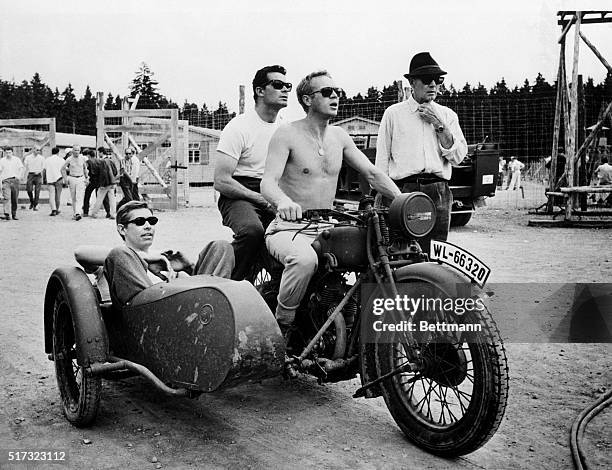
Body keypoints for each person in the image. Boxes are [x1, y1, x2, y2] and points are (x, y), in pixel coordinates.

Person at [261, 70, 401, 334]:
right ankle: (282, 327)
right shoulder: (286, 134)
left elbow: (372, 173)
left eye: (337, 91)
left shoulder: (340, 136)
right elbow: (267, 182)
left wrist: (404, 201)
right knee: (304, 261)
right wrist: (282, 202)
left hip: (326, 226)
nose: (334, 96)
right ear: (306, 99)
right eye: (326, 92)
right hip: (289, 228)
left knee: (372, 256)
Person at [376, 52, 467, 256]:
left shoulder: (447, 115)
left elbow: (458, 157)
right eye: (427, 80)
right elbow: (382, 160)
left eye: (438, 80)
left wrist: (439, 125)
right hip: (403, 190)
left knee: (436, 253)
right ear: (412, 82)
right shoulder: (393, 114)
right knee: (401, 252)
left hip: (438, 191)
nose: (433, 84)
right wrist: (383, 195)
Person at [214, 64, 290, 281]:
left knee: (291, 241)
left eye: (288, 86)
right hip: (239, 193)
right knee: (252, 232)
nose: (284, 90)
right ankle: (228, 283)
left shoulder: (286, 129)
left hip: (274, 191)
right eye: (277, 85)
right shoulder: (238, 127)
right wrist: (259, 197)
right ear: (259, 91)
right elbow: (221, 181)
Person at [104, 201, 235, 308]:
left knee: (221, 247)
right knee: (119, 253)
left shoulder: (165, 261)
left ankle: (213, 305)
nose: (148, 226)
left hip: (187, 306)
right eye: (139, 222)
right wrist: (146, 257)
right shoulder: (120, 258)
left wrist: (188, 268)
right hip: (154, 314)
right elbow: (83, 253)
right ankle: (211, 306)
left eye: (151, 221)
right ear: (122, 229)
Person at [61, 145, 89, 220]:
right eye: (75, 150)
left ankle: (78, 213)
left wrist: (87, 178)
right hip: (72, 178)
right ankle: (75, 213)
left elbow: (85, 169)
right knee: (73, 197)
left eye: (78, 150)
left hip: (80, 178)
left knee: (79, 197)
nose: (76, 152)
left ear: (80, 151)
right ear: (72, 151)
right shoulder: (69, 159)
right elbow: (63, 169)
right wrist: (65, 179)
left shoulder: (83, 158)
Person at [89, 148, 117, 219]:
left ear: (101, 152)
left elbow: (102, 174)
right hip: (112, 182)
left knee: (99, 198)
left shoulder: (102, 161)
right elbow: (115, 171)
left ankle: (94, 213)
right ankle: (113, 214)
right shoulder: (111, 160)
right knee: (112, 199)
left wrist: (101, 184)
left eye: (99, 152)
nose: (98, 154)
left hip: (105, 183)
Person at [0, 147, 24, 220]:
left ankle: (14, 214)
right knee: (6, 197)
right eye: (7, 153)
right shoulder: (2, 161)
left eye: (9, 152)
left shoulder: (17, 160)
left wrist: (19, 176)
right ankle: (7, 213)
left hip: (14, 180)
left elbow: (21, 168)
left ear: (12, 152)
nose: (8, 154)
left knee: (14, 198)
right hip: (6, 181)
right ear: (4, 153)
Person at [43, 147, 65, 216]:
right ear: (58, 152)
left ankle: (53, 210)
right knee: (58, 196)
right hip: (59, 179)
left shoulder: (47, 160)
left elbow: (44, 170)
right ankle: (57, 209)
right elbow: (64, 170)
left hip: (50, 180)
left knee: (51, 195)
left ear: (51, 152)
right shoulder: (61, 160)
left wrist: (44, 179)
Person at [83, 149, 103, 216]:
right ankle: (100, 211)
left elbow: (85, 170)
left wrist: (86, 178)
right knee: (99, 196)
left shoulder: (88, 161)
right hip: (98, 181)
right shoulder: (99, 161)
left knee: (87, 196)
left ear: (89, 155)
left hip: (92, 180)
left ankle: (86, 212)